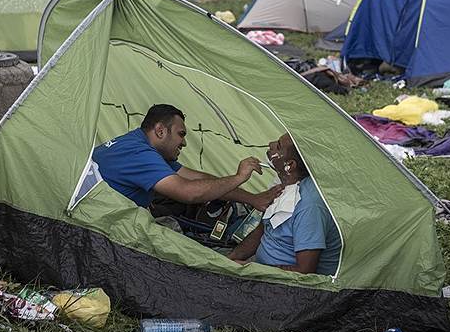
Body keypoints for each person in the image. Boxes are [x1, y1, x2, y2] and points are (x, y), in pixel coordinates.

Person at [92, 104, 283, 213]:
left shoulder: (140, 145)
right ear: (160, 131)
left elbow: (199, 180)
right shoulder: (138, 153)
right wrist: (239, 177)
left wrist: (252, 199)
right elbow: (189, 192)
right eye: (181, 134)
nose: (184, 143)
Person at [228, 133, 341, 275]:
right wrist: (228, 260)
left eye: (278, 146)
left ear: (290, 166)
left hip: (286, 286)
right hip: (263, 270)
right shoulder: (286, 189)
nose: (271, 144)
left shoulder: (309, 206)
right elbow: (261, 232)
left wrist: (252, 268)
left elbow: (304, 272)